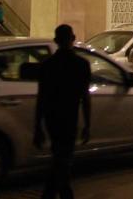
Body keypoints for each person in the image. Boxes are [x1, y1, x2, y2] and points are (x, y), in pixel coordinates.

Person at [34, 24, 91, 199]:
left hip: (52, 118)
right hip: (69, 118)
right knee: (63, 160)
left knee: (60, 159)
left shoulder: (47, 65)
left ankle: (55, 194)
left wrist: (38, 126)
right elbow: (85, 97)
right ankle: (58, 194)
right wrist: (87, 124)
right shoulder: (81, 65)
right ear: (72, 39)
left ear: (56, 41)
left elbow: (41, 98)